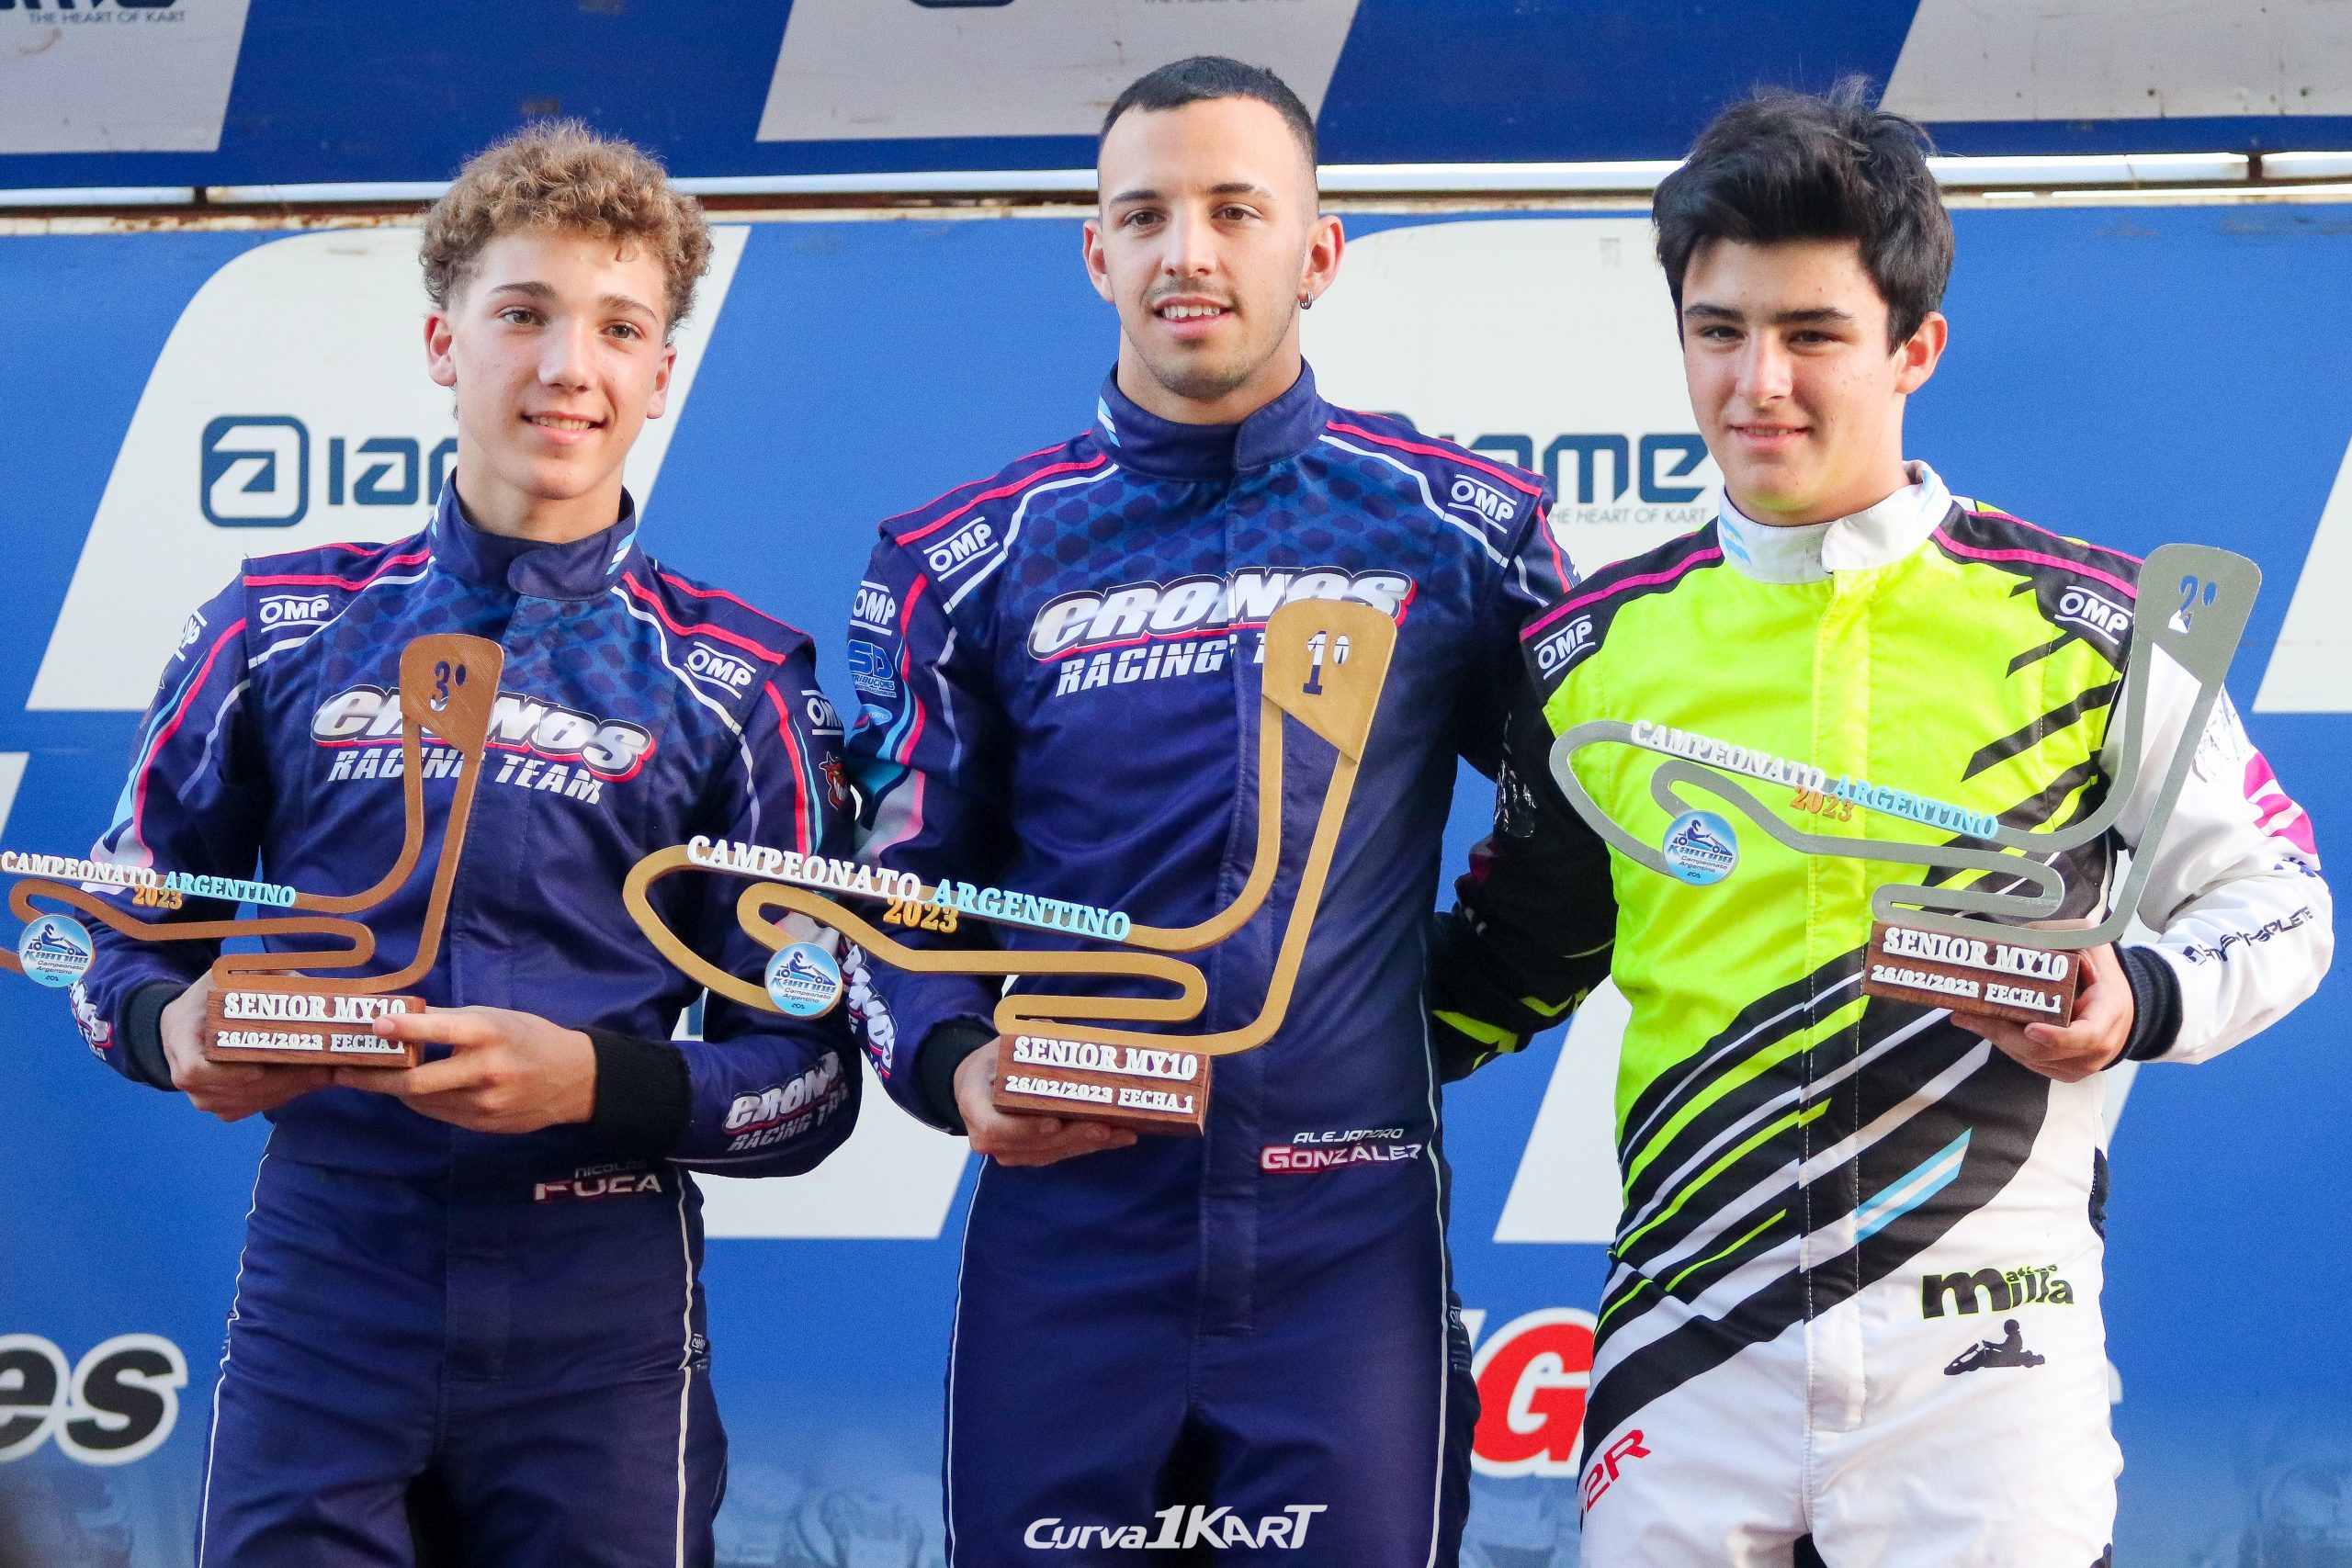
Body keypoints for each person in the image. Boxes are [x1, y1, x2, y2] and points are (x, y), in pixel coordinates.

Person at [1430, 84, 2333, 1567]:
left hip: (1987, 1345)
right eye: (1719, 332)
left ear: (1916, 348)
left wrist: (2139, 995)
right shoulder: (1589, 655)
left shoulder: (2097, 628)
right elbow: (1516, 958)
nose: (1758, 383)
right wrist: (1243, 1046)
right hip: (1688, 1338)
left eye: (1813, 336)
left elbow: (2281, 901)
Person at [842, 55, 1597, 1567]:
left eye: (1236, 211)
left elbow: (1577, 841)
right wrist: (952, 1059)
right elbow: (893, 885)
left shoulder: (1460, 530)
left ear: (1317, 250)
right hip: (1068, 1231)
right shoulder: (964, 558)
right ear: (1095, 251)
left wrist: (1407, 1028)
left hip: (1346, 1241)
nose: (1188, 251)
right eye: (1147, 215)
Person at [71, 122, 860, 1567]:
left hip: (600, 1305)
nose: (568, 366)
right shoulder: (276, 627)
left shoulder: (741, 684)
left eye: (618, 327)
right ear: (444, 342)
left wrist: (593, 1083)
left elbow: (807, 1082)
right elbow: (104, 940)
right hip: (330, 1273)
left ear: (660, 373)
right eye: (523, 313)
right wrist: (168, 1030)